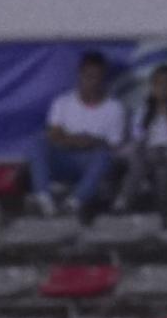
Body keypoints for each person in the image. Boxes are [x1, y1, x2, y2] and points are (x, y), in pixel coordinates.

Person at [27, 50, 126, 219]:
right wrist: (81, 140)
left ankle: (74, 202)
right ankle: (43, 198)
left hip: (91, 163)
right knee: (38, 141)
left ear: (103, 78)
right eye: (88, 76)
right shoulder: (63, 102)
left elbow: (113, 144)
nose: (92, 82)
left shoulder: (114, 108)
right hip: (64, 159)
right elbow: (54, 135)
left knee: (104, 156)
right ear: (80, 75)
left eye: (97, 77)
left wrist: (87, 142)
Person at [115, 65, 167, 217]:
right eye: (159, 83)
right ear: (153, 87)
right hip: (148, 155)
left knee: (163, 170)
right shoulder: (144, 111)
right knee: (138, 159)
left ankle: (165, 213)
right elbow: (137, 138)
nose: (163, 87)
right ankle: (123, 202)